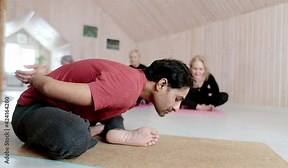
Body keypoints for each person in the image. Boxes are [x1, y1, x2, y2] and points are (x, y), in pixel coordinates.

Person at [13, 58, 193, 160]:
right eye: (177, 99)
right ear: (162, 84)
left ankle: (112, 129)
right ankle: (99, 130)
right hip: (31, 110)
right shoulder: (126, 86)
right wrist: (38, 77)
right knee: (74, 137)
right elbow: (48, 88)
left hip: (70, 108)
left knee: (113, 109)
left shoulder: (136, 84)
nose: (177, 107)